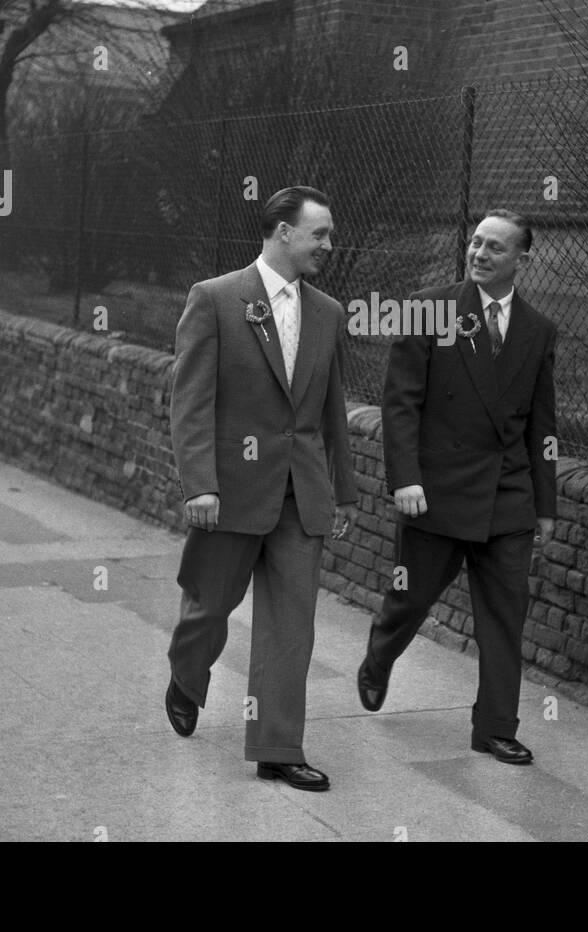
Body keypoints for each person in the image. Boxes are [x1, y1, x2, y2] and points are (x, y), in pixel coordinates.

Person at [166, 185, 357, 792]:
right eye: (319, 233)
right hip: (230, 492)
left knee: (291, 625)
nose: (329, 244)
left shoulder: (327, 312)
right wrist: (200, 483)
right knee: (210, 604)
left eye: (329, 234)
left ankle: (277, 747)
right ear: (281, 231)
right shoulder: (217, 300)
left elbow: (331, 410)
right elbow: (190, 400)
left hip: (301, 494)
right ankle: (187, 673)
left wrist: (343, 491)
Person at [358, 209, 557, 765]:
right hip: (436, 490)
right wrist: (406, 479)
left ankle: (495, 727)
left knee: (504, 617)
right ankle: (380, 655)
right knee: (412, 597)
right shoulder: (430, 309)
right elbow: (400, 406)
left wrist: (545, 504)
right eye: (475, 242)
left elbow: (543, 425)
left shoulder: (539, 330)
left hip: (507, 496)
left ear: (522, 259)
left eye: (495, 247)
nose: (479, 254)